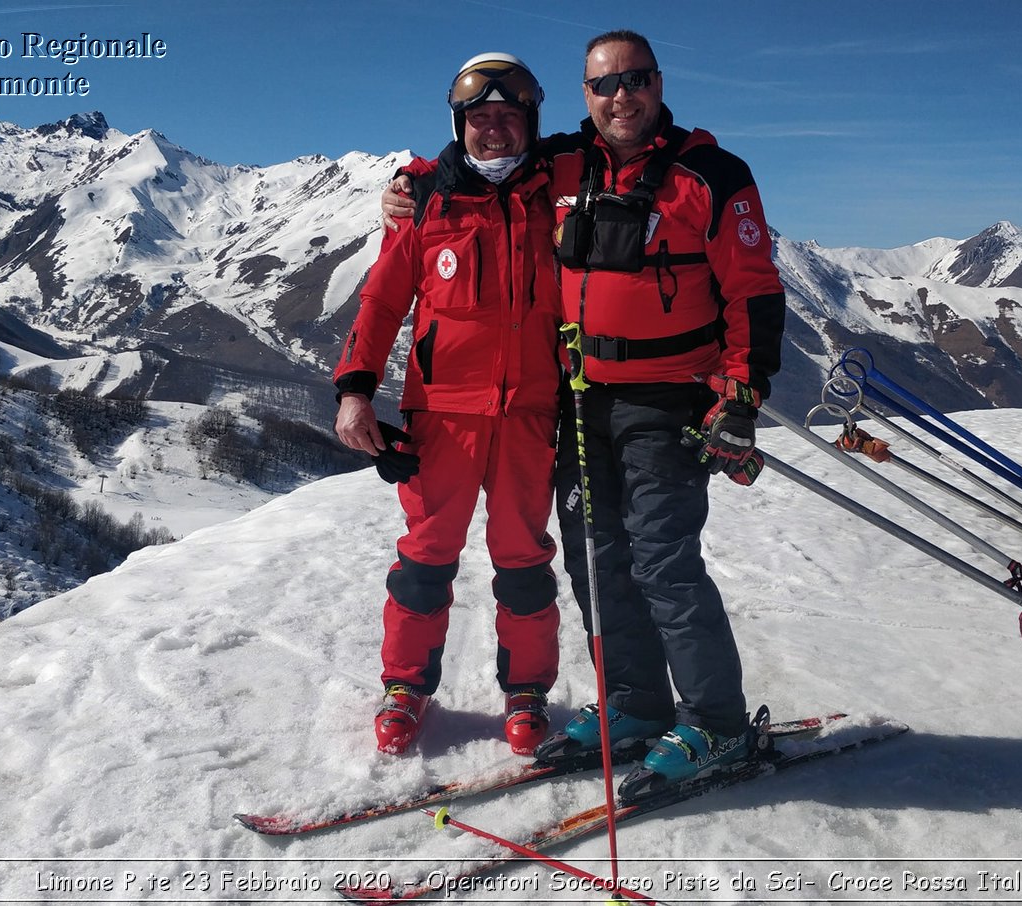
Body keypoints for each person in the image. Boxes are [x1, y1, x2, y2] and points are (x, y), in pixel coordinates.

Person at [382, 31, 786, 795]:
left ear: (658, 84)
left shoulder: (711, 174)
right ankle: (633, 704)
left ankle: (718, 725)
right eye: (604, 85)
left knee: (663, 558)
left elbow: (755, 290)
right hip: (579, 399)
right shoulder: (564, 163)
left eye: (634, 80)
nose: (620, 96)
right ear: (585, 96)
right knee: (597, 561)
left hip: (670, 395)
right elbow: (471, 165)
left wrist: (742, 395)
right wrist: (405, 188)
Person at [333, 52, 564, 757]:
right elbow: (381, 301)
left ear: (530, 122)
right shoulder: (427, 201)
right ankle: (405, 688)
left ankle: (526, 694)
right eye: (481, 118)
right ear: (460, 123)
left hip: (531, 414)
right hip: (443, 418)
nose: (495, 131)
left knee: (524, 561)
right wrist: (355, 389)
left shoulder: (557, 191)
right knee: (426, 560)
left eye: (509, 116)